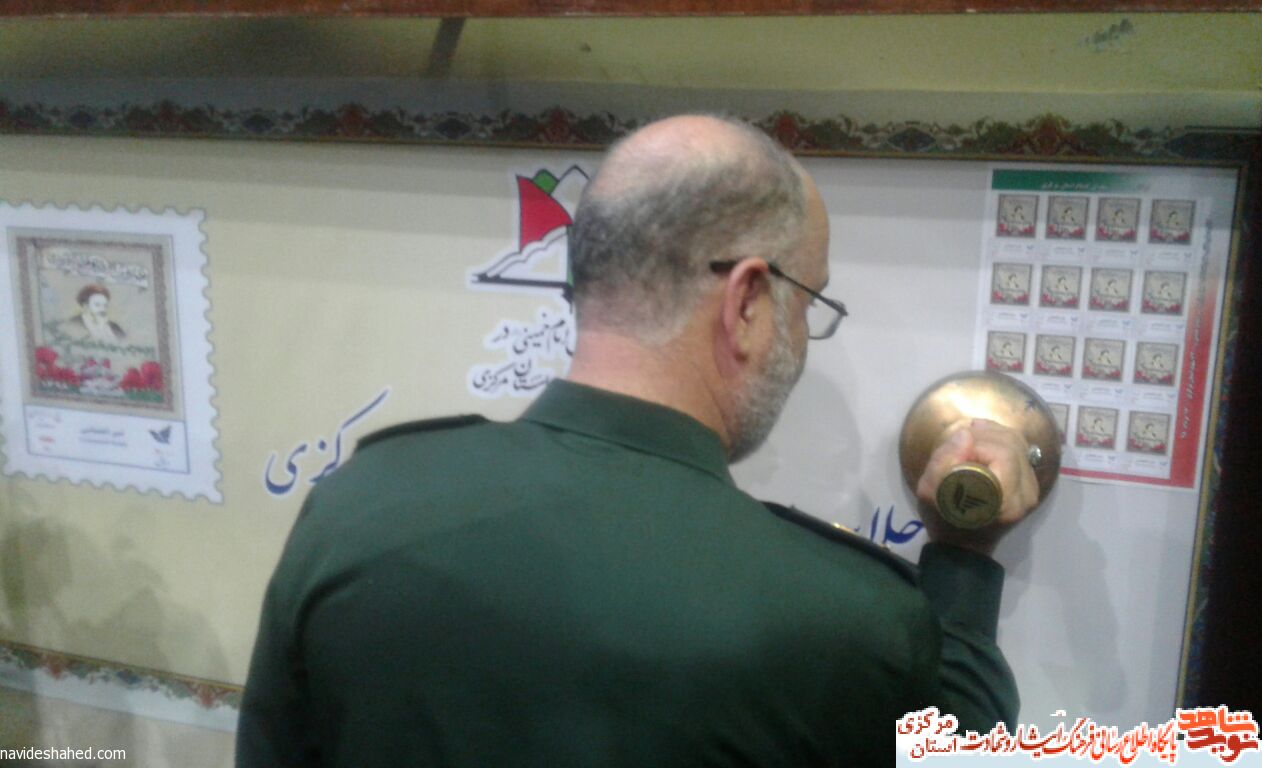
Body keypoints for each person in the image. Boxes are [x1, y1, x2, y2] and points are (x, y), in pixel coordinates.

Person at [237, 115, 1041, 768]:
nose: (803, 337)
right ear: (747, 301)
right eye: (806, 303)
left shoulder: (356, 505)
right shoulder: (843, 619)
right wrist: (964, 554)